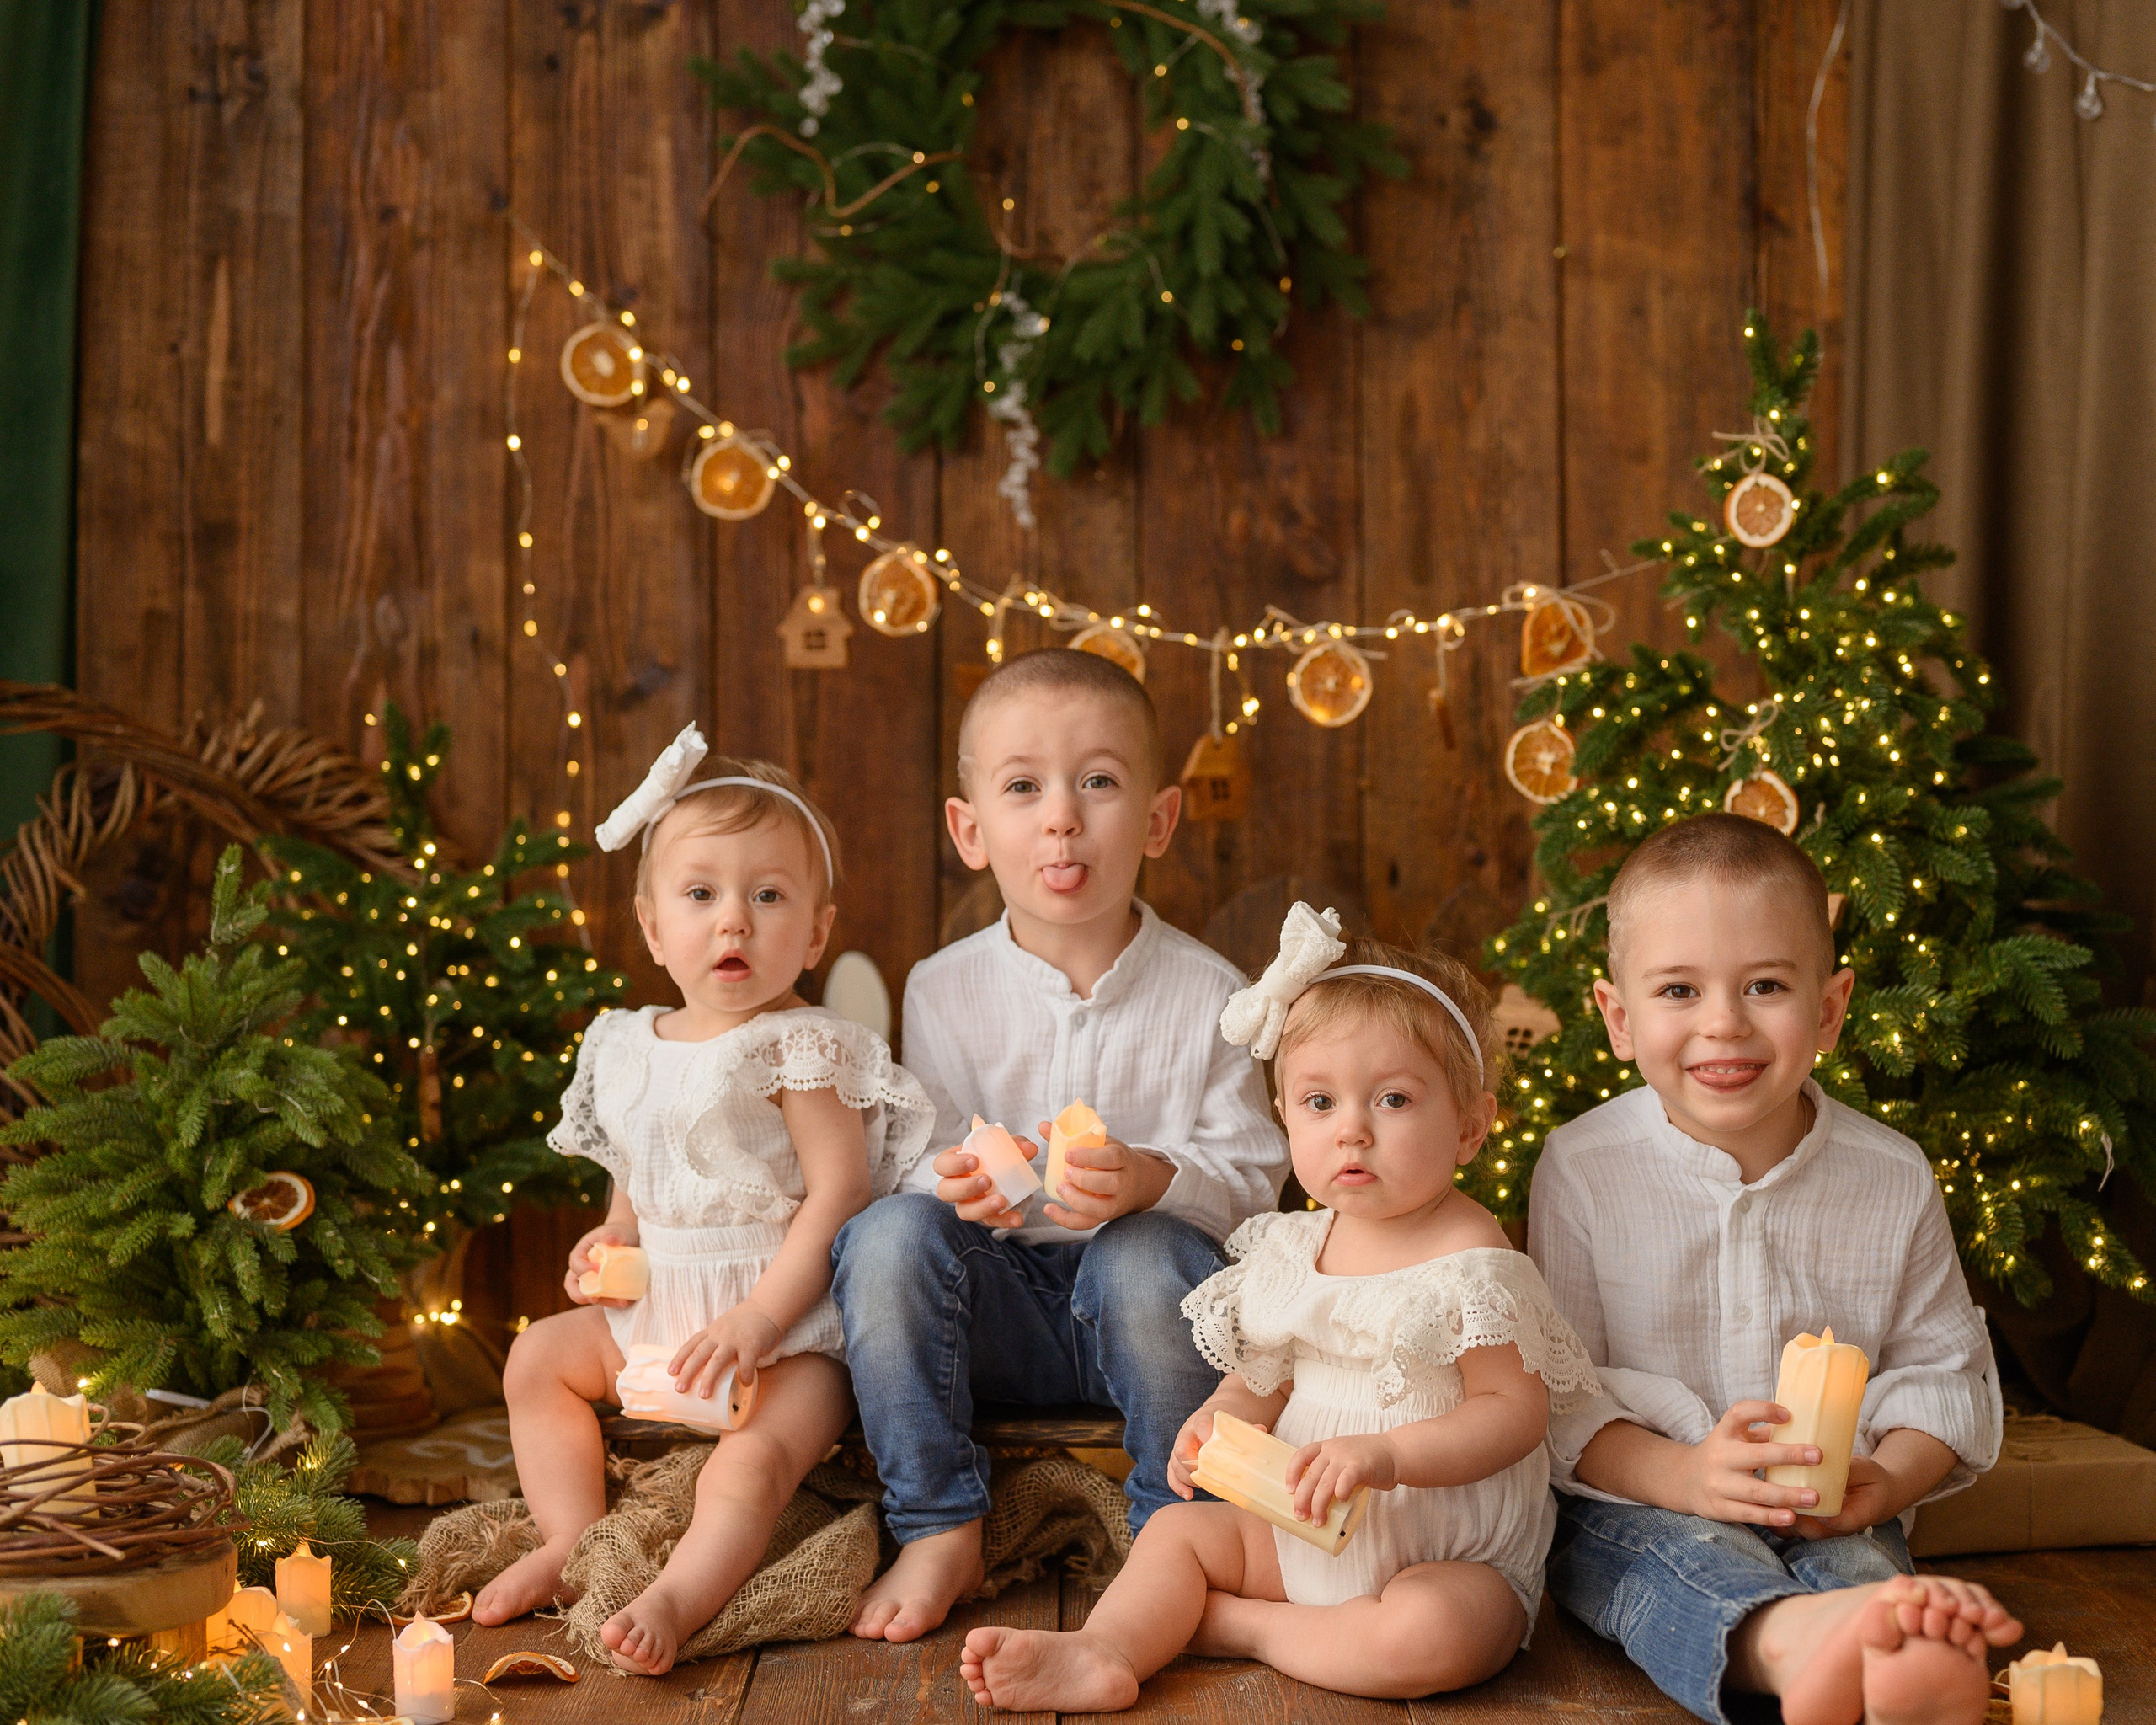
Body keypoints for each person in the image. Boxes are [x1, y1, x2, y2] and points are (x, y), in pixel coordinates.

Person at [960, 916, 1598, 1710]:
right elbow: (1264, 1372)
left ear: (1470, 1127)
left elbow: (1515, 1412)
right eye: (1320, 1102)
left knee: (1434, 1635)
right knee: (1175, 1535)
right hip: (1299, 1525)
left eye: (1394, 1099)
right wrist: (1220, 1420)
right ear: (1286, 1118)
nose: (1353, 1131)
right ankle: (1106, 1649)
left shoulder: (1474, 1257)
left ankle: (1242, 1629)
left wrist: (1388, 1454)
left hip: (1442, 1552)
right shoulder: (1297, 1247)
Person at [831, 649, 1290, 1643]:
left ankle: (1183, 1534)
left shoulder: (1213, 993)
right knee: (884, 1236)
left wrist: (1154, 1177)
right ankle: (941, 1520)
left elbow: (1257, 1180)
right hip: (989, 1316)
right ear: (970, 828)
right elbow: (920, 1148)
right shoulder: (942, 986)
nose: (1061, 816)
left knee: (1144, 1249)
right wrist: (954, 1185)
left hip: (1152, 1315)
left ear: (1159, 819)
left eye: (1098, 781)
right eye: (1023, 786)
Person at [1529, 812, 2022, 1725]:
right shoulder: (1581, 1165)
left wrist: (1892, 1477)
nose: (1724, 1023)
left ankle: (1887, 1649)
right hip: (1640, 1499)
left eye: (1764, 984)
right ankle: (1790, 1643)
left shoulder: (1889, 1174)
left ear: (1829, 1009)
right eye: (1678, 989)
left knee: (1864, 1566)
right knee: (1659, 1568)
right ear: (1618, 1018)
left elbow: (1943, 1374)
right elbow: (1564, 1394)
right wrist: (1685, 1476)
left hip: (1834, 1500)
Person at [472, 727, 932, 1677]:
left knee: (749, 1464)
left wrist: (762, 1317)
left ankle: (679, 1595)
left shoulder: (800, 1043)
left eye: (768, 897)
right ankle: (571, 1536)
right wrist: (610, 1236)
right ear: (651, 925)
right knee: (534, 1359)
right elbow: (637, 1171)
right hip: (653, 1315)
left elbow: (841, 1189)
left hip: (786, 1331)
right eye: (701, 894)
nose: (734, 922)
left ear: (813, 931)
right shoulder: (628, 1041)